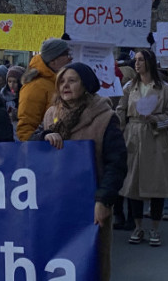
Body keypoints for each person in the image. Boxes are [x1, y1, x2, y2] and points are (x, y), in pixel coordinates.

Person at [38, 62, 126, 281]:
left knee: (91, 263)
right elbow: (33, 150)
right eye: (62, 81)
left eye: (72, 80)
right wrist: (42, 137)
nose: (65, 86)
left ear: (86, 84)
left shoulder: (105, 117)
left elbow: (117, 163)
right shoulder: (51, 114)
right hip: (56, 202)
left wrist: (104, 201)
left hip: (90, 203)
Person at [117, 49, 168, 247]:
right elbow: (121, 110)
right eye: (135, 60)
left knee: (156, 183)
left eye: (141, 60)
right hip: (133, 135)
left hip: (155, 137)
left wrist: (156, 120)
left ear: (149, 62)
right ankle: (137, 226)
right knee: (133, 183)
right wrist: (117, 129)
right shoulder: (130, 86)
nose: (137, 64)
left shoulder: (164, 88)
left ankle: (155, 228)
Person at [16, 38, 72, 141]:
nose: (70, 58)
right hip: (47, 149)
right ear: (53, 61)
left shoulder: (58, 82)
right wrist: (42, 139)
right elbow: (25, 130)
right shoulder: (35, 86)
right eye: (66, 54)